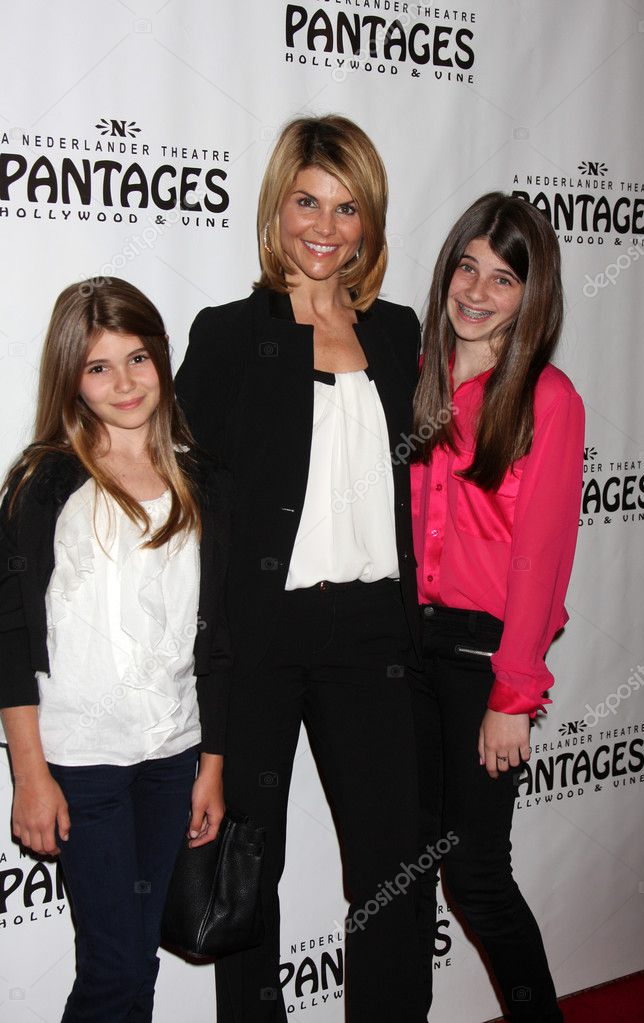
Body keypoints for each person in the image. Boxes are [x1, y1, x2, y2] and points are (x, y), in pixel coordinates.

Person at [175, 114, 424, 1023]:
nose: (326, 226)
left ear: (370, 222)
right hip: (264, 636)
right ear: (278, 208)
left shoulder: (400, 336)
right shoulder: (232, 334)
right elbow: (185, 502)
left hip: (376, 635)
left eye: (348, 207)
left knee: (394, 866)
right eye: (308, 201)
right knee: (250, 861)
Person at [0, 277, 230, 1023]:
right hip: (81, 760)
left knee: (137, 968)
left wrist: (212, 767)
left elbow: (220, 637)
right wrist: (29, 774)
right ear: (72, 376)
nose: (124, 382)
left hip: (170, 757)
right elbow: (8, 634)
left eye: (137, 358)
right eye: (99, 367)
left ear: (161, 360)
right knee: (117, 964)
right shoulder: (44, 480)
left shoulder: (198, 479)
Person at [410, 192, 584, 1022]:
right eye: (467, 267)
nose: (477, 290)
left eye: (504, 277)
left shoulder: (549, 399)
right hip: (403, 651)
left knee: (477, 875)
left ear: (531, 294)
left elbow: (542, 562)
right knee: (404, 866)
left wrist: (513, 694)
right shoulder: (417, 378)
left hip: (486, 661)